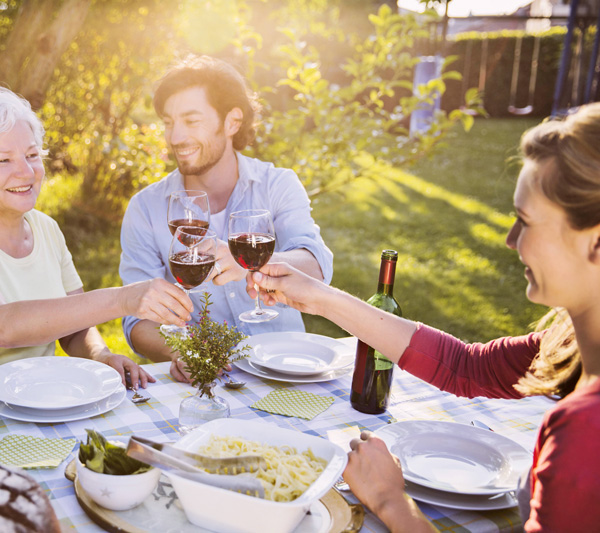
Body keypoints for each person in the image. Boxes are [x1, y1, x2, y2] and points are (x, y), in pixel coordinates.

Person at [248, 103, 600, 532]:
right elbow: (467, 367)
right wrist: (318, 297)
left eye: (525, 222)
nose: (511, 241)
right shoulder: (568, 344)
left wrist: (389, 500)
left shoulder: (585, 434)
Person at [0, 86, 192, 394]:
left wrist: (101, 355)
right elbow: (0, 326)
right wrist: (124, 299)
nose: (25, 171)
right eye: (3, 160)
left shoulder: (46, 228)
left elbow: (74, 329)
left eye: (32, 155)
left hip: (34, 398)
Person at [119, 55, 333, 382]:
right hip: (202, 384)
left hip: (287, 372)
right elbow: (137, 320)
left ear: (232, 122)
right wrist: (183, 349)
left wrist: (255, 262)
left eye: (191, 121)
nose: (175, 137)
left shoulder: (278, 185)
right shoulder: (146, 208)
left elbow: (316, 265)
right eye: (168, 122)